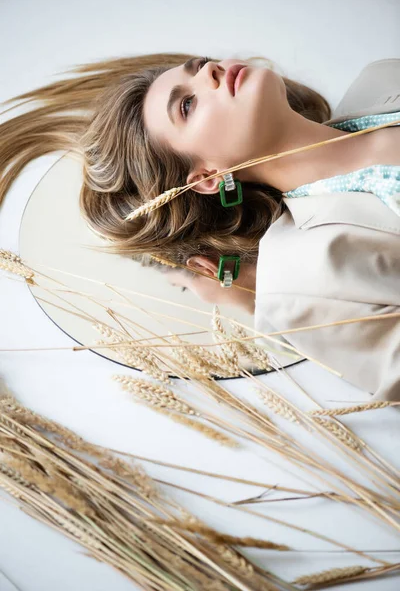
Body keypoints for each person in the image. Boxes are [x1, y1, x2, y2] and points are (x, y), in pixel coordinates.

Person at [1, 54, 399, 398]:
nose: (209, 71)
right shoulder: (304, 281)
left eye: (199, 66)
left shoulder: (383, 77)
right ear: (207, 178)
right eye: (187, 105)